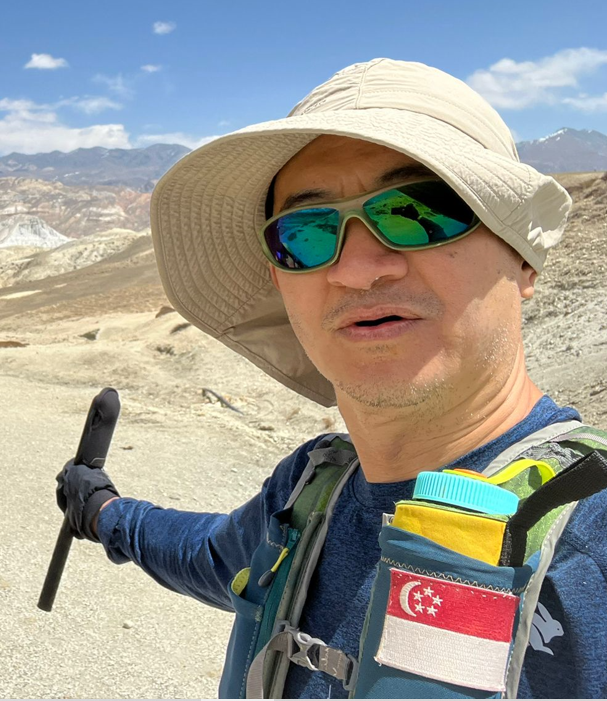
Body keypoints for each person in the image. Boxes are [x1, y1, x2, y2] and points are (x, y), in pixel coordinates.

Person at [56, 59, 607, 699]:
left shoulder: (593, 539)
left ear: (523, 255)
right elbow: (211, 555)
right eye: (307, 233)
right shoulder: (311, 491)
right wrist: (103, 511)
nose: (357, 269)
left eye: (418, 211)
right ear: (280, 279)